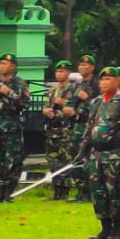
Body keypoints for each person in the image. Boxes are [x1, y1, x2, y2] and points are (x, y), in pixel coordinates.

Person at [75, 66, 120, 239]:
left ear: (117, 81)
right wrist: (82, 150)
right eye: (102, 80)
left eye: (108, 79)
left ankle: (116, 230)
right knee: (98, 192)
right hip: (96, 153)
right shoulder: (96, 102)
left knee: (114, 191)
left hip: (114, 153)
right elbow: (89, 128)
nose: (103, 83)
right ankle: (104, 228)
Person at [0, 53, 30, 203]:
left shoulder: (19, 83)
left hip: (12, 127)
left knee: (12, 160)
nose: (2, 66)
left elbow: (25, 103)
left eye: (5, 63)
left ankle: (9, 192)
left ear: (13, 66)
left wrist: (8, 92)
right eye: (0, 63)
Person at [43, 60, 80, 201]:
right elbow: (47, 106)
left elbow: (75, 108)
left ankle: (66, 190)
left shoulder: (73, 89)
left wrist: (63, 103)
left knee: (65, 160)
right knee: (53, 160)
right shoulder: (53, 90)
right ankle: (56, 190)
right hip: (52, 129)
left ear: (68, 73)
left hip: (66, 129)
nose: (59, 74)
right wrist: (45, 110)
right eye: (58, 71)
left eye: (62, 71)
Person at [70, 54, 99, 202]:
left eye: (85, 65)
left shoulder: (97, 85)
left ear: (92, 67)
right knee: (76, 157)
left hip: (90, 126)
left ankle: (89, 191)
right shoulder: (77, 84)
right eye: (80, 64)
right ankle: (80, 190)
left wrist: (87, 98)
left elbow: (99, 106)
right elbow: (72, 103)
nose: (82, 67)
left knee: (88, 158)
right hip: (77, 125)